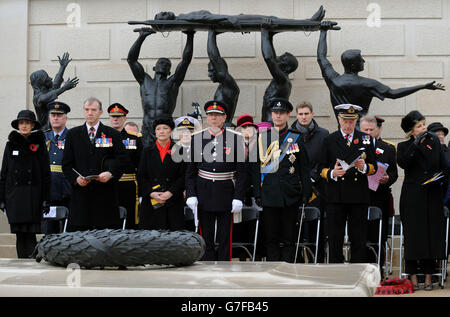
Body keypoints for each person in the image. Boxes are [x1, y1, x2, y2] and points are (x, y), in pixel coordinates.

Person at [318, 21, 445, 123]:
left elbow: (321, 57)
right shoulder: (367, 84)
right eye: (360, 59)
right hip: (362, 133)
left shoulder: (334, 80)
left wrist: (323, 31)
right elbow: (394, 94)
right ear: (353, 65)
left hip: (343, 131)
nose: (363, 61)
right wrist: (422, 86)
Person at [185, 100, 246, 261]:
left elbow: (241, 173)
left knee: (226, 235)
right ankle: (207, 265)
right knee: (206, 234)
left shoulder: (235, 139)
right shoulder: (197, 138)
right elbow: (190, 172)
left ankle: (225, 266)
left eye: (217, 115)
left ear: (224, 117)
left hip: (226, 190)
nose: (213, 118)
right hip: (204, 190)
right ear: (206, 117)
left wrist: (238, 197)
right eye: (210, 115)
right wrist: (191, 194)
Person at [253, 98, 312, 262]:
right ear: (271, 114)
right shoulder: (262, 138)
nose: (278, 116)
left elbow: (304, 168)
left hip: (290, 195)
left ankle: (288, 269)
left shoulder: (297, 138)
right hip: (269, 193)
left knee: (289, 238)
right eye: (275, 113)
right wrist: (257, 192)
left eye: (282, 113)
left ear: (288, 115)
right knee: (271, 238)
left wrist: (306, 192)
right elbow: (255, 168)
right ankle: (272, 270)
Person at [319, 104, 377, 264]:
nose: (348, 125)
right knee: (335, 238)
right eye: (345, 121)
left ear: (356, 120)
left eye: (352, 121)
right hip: (336, 195)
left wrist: (363, 167)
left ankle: (357, 270)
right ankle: (336, 271)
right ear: (339, 119)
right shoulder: (329, 140)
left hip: (358, 195)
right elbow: (320, 168)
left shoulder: (366, 139)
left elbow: (374, 167)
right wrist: (332, 173)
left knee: (358, 237)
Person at [397, 111, 448, 291]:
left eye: (424, 124)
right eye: (419, 126)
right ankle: (412, 277)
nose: (424, 128)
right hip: (412, 195)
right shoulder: (404, 146)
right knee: (413, 236)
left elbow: (442, 165)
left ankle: (428, 277)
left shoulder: (434, 143)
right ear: (411, 131)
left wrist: (440, 176)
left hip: (432, 193)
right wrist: (416, 144)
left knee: (429, 236)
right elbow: (403, 163)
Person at [62, 97, 127, 231]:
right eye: (87, 110)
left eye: (93, 110)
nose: (90, 113)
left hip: (105, 196)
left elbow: (122, 160)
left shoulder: (112, 134)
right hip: (81, 197)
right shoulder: (73, 135)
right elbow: (66, 164)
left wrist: (110, 174)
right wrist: (76, 179)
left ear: (100, 112)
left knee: (105, 239)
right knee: (80, 240)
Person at [127, 27, 194, 148]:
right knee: (145, 162)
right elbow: (131, 60)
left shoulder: (172, 83)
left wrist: (190, 36)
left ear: (169, 72)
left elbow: (185, 61)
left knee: (164, 162)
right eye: (161, 62)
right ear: (154, 67)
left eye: (167, 64)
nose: (164, 64)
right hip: (147, 130)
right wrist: (141, 37)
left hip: (165, 131)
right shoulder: (144, 80)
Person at [0, 110, 50, 258]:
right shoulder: (10, 146)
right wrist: (1, 199)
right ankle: (22, 263)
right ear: (18, 125)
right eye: (21, 123)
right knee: (20, 235)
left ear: (32, 125)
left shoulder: (39, 146)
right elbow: (4, 174)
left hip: (33, 196)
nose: (24, 126)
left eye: (27, 123)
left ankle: (32, 265)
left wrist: (46, 198)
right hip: (14, 197)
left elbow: (45, 174)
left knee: (31, 234)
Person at [291, 101, 329, 263]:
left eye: (306, 113)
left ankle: (318, 260)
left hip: (317, 189)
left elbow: (326, 160)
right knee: (295, 227)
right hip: (295, 187)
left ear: (312, 114)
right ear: (296, 115)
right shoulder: (290, 135)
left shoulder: (323, 134)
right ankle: (297, 262)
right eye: (300, 114)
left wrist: (312, 177)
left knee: (316, 229)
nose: (303, 117)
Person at [360, 115, 398, 267]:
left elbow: (394, 174)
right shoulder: (354, 145)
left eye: (371, 130)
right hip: (359, 197)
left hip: (379, 197)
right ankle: (360, 267)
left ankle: (378, 269)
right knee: (360, 236)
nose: (368, 133)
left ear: (378, 129)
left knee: (378, 236)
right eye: (365, 130)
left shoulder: (388, 148)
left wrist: (387, 178)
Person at [138, 117, 186, 231]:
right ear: (155, 132)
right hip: (152, 201)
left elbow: (183, 176)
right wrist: (151, 193)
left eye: (165, 128)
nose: (162, 131)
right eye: (158, 129)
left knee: (173, 239)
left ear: (171, 131)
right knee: (151, 240)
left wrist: (170, 192)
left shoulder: (179, 150)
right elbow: (141, 176)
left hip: (172, 200)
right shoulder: (147, 150)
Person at [108, 103, 143, 229]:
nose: (115, 119)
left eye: (119, 116)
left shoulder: (134, 139)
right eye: (113, 116)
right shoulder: (102, 137)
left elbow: (141, 166)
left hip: (128, 185)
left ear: (125, 118)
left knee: (130, 220)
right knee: (109, 219)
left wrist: (142, 191)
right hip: (108, 184)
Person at [43, 101, 72, 234]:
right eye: (53, 115)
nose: (55, 118)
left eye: (59, 115)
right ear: (49, 117)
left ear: (65, 118)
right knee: (50, 229)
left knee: (69, 229)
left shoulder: (73, 136)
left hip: (68, 189)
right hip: (48, 190)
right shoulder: (43, 137)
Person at [30, 52, 79, 131]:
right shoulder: (37, 98)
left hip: (53, 131)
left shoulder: (46, 92)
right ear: (42, 82)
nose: (50, 79)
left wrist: (62, 68)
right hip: (45, 133)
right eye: (47, 78)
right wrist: (64, 88)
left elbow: (55, 86)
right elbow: (45, 98)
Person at [260, 27, 298, 122]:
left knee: (270, 138)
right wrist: (270, 37)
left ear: (287, 67)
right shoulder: (283, 79)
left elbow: (269, 59)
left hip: (271, 124)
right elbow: (272, 58)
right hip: (269, 122)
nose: (278, 58)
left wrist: (264, 33)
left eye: (282, 58)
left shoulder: (282, 80)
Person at [208, 29, 239, 122]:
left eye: (212, 71)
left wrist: (211, 33)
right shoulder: (222, 86)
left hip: (226, 127)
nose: (209, 75)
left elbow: (214, 57)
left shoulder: (228, 84)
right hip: (219, 127)